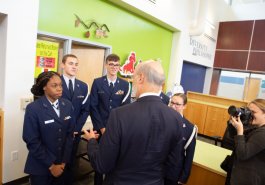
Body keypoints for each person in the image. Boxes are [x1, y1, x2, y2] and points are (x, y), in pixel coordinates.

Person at [83, 60, 184, 185]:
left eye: (134, 76)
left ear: (141, 78)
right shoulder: (176, 118)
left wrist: (92, 142)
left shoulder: (119, 115)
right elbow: (174, 166)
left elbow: (102, 164)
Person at [22, 71, 74, 185]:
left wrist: (63, 163)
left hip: (62, 165)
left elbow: (69, 136)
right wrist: (51, 165)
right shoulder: (33, 108)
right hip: (41, 166)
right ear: (44, 87)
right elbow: (31, 140)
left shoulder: (68, 105)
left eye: (60, 85)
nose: (59, 88)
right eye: (54, 85)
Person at [89, 53, 131, 185]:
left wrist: (114, 128)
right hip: (100, 128)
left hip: (117, 129)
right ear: (106, 65)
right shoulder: (97, 82)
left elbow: (125, 108)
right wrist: (102, 128)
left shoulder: (125, 85)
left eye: (116, 65)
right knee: (99, 160)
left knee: (115, 158)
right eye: (111, 64)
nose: (114, 67)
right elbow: (93, 106)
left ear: (119, 67)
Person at [60, 54, 90, 184]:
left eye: (76, 64)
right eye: (70, 63)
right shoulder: (55, 83)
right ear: (63, 65)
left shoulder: (83, 86)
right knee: (56, 163)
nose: (74, 67)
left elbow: (85, 110)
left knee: (71, 162)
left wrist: (76, 129)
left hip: (74, 133)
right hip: (58, 132)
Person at [229, 99, 265, 185]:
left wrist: (240, 131)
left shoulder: (263, 133)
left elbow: (243, 154)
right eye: (248, 111)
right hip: (240, 174)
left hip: (249, 179)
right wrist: (232, 123)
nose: (250, 114)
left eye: (253, 112)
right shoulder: (254, 127)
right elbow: (232, 139)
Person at [165, 93, 197, 185]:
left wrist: (183, 178)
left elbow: (189, 156)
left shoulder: (190, 128)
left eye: (177, 104)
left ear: (184, 106)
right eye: (172, 103)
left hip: (173, 173)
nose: (173, 106)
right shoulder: (162, 121)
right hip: (157, 170)